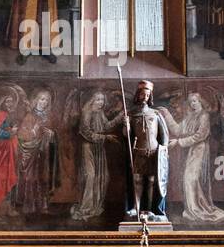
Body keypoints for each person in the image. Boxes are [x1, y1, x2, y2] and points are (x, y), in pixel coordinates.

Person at [162, 92, 224, 222]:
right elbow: (178, 130)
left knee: (190, 178)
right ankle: (193, 209)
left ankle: (197, 209)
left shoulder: (204, 116)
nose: (192, 104)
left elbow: (201, 135)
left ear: (201, 101)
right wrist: (166, 114)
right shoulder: (190, 116)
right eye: (191, 101)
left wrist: (179, 142)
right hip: (191, 151)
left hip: (200, 150)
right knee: (189, 179)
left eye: (195, 101)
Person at [71, 90, 123, 222]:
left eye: (102, 100)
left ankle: (95, 206)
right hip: (88, 147)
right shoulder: (86, 113)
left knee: (103, 177)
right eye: (98, 99)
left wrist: (120, 116)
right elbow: (86, 133)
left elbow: (106, 126)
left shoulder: (100, 113)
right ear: (92, 100)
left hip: (99, 148)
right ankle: (86, 207)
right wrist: (105, 137)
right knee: (90, 176)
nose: (101, 103)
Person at [123, 79, 169, 220]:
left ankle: (149, 210)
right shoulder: (131, 115)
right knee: (137, 181)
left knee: (151, 181)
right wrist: (126, 126)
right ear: (138, 95)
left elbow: (164, 135)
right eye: (143, 94)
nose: (145, 97)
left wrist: (164, 151)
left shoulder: (155, 115)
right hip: (139, 151)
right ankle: (136, 208)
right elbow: (126, 136)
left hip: (154, 152)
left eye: (147, 95)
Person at [13, 89, 59, 216]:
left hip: (44, 153)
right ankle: (30, 205)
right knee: (31, 178)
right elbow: (22, 135)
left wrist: (51, 134)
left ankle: (43, 205)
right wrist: (35, 131)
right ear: (36, 100)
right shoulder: (30, 116)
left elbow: (53, 134)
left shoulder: (49, 116)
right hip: (32, 153)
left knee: (43, 177)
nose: (44, 102)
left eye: (47, 100)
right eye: (42, 99)